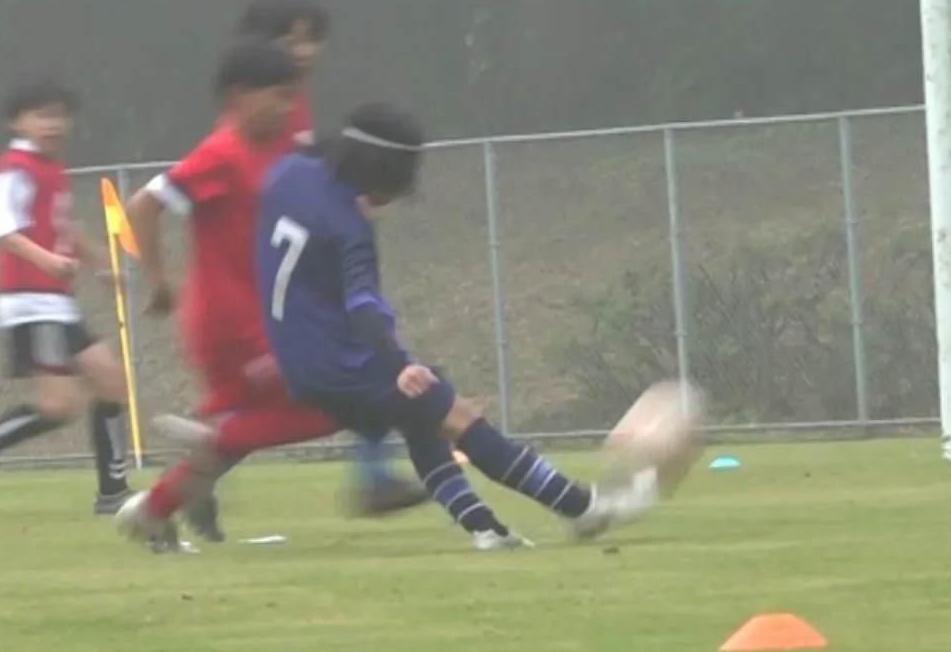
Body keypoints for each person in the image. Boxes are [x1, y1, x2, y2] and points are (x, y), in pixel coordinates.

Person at [246, 100, 656, 540]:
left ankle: (487, 530)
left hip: (298, 360)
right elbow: (362, 303)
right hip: (342, 360)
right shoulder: (349, 227)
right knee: (457, 416)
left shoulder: (289, 173)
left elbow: (314, 151)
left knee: (423, 414)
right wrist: (398, 364)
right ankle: (582, 507)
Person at [116, 42, 421, 552]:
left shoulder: (285, 148)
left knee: (294, 414)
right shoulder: (220, 154)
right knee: (341, 399)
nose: (286, 108)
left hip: (272, 315)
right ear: (237, 96)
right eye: (278, 97)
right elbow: (142, 205)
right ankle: (209, 443)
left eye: (291, 96)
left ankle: (158, 506)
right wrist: (158, 280)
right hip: (235, 325)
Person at [0, 75, 135, 512]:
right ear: (16, 122)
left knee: (111, 382)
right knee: (58, 405)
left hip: (55, 300)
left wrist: (99, 261)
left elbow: (61, 226)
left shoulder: (50, 168)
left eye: (60, 116)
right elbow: (2, 228)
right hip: (28, 300)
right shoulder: (16, 167)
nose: (53, 124)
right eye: (42, 115)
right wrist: (48, 261)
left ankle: (113, 493)